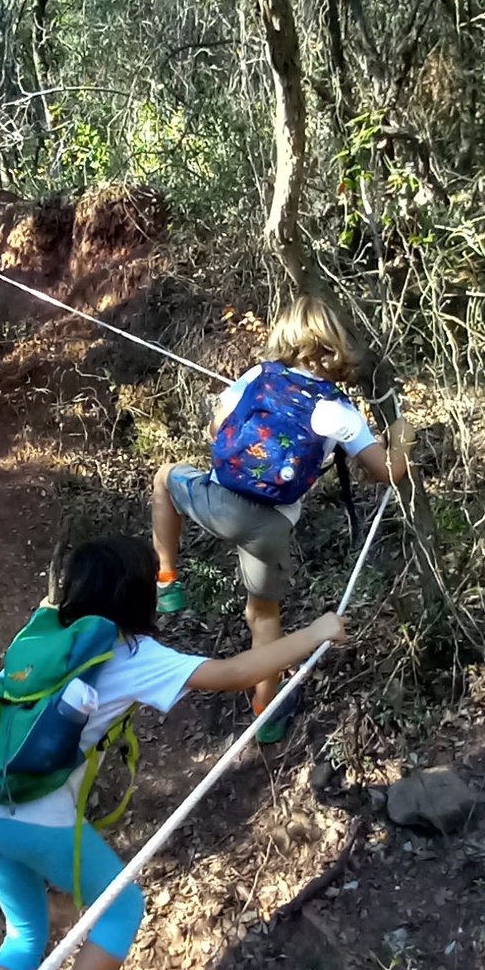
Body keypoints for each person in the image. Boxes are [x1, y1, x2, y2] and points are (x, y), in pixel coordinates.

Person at [0, 535, 347, 970]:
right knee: (120, 910)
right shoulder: (132, 653)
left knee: (25, 934)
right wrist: (315, 632)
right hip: (37, 816)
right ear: (139, 602)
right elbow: (234, 673)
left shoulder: (41, 637)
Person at [151, 295, 417, 744]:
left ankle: (167, 583)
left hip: (217, 501)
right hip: (269, 528)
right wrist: (403, 437)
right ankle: (266, 715)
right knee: (263, 617)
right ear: (337, 345)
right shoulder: (338, 412)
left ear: (287, 337)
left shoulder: (257, 377)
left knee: (163, 478)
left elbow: (216, 431)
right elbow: (387, 472)